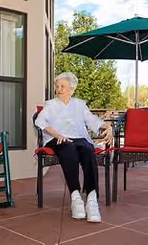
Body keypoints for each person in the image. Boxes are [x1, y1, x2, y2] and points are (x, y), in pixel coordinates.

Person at [34, 72, 113, 223]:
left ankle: (91, 199)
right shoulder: (51, 104)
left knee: (88, 148)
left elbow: (92, 120)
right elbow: (40, 121)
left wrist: (107, 126)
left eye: (62, 86)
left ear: (72, 89)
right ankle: (75, 197)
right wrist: (57, 134)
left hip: (78, 137)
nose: (59, 89)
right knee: (68, 148)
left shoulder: (79, 104)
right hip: (56, 139)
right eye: (57, 86)